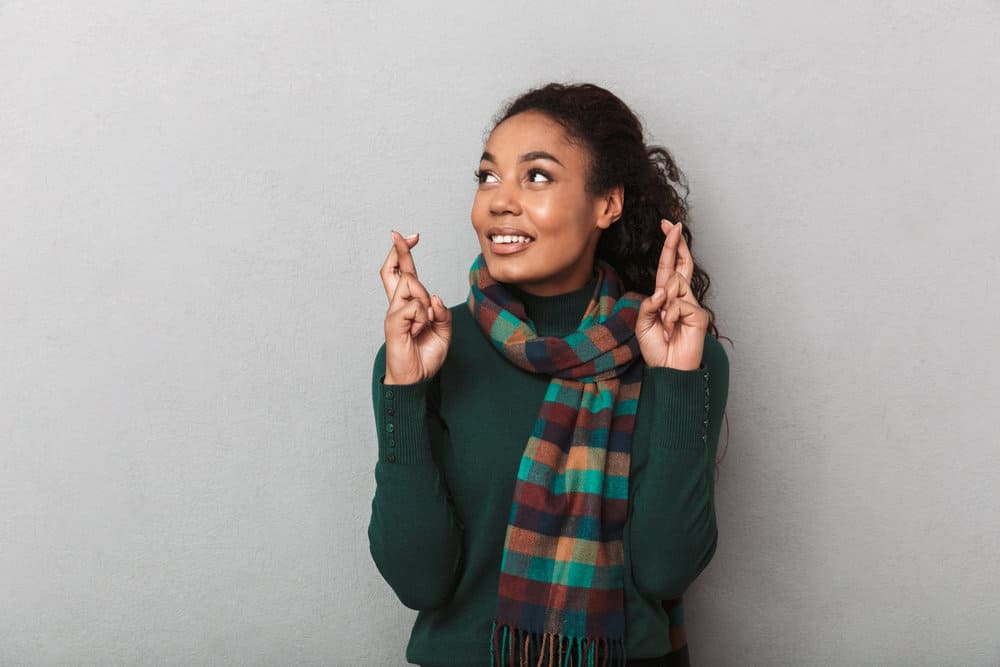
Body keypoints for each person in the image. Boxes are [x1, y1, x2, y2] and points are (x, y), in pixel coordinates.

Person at [368, 82, 729, 667]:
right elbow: (420, 582)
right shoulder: (424, 348)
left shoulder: (676, 350)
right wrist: (405, 391)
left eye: (536, 177)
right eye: (488, 176)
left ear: (606, 205)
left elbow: (666, 570)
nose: (499, 201)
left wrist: (681, 378)